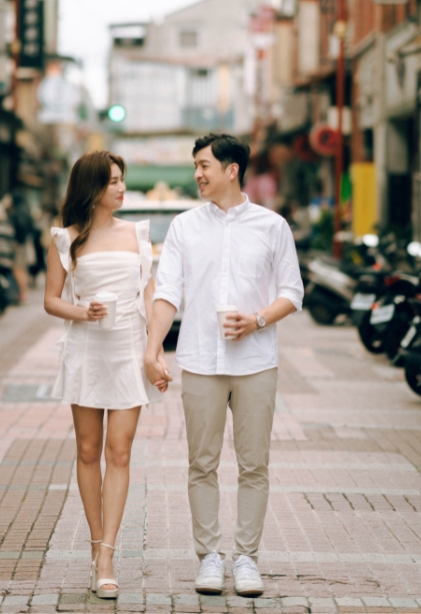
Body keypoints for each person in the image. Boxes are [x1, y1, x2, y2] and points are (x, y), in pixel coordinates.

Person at [144, 133, 304, 598]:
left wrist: (256, 320)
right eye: (195, 165)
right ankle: (209, 557)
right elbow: (166, 292)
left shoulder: (272, 226)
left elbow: (292, 293)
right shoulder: (183, 227)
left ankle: (247, 559)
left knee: (254, 464)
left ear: (231, 169)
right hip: (198, 360)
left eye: (203, 165)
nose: (197, 174)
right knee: (202, 463)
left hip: (255, 362)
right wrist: (153, 348)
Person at [44, 151, 161, 600]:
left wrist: (155, 352)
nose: (121, 188)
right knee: (88, 450)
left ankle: (109, 555)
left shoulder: (138, 234)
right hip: (87, 347)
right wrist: (83, 311)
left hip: (129, 348)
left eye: (122, 180)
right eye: (113, 181)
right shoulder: (66, 238)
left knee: (121, 451)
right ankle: (96, 544)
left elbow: (150, 297)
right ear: (91, 187)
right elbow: (51, 300)